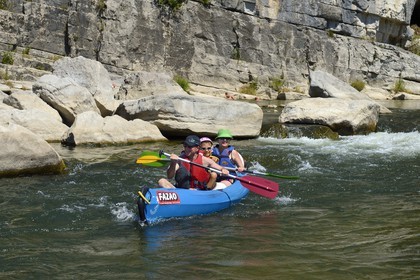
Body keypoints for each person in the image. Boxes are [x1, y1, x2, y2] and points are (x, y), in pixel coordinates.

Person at [158, 135, 230, 190]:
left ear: (197, 148)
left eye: (190, 147)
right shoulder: (180, 160)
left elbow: (220, 168)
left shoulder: (204, 160)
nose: (186, 149)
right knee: (162, 181)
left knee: (214, 175)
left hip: (200, 192)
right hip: (182, 191)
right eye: (185, 146)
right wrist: (173, 163)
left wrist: (223, 170)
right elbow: (169, 176)